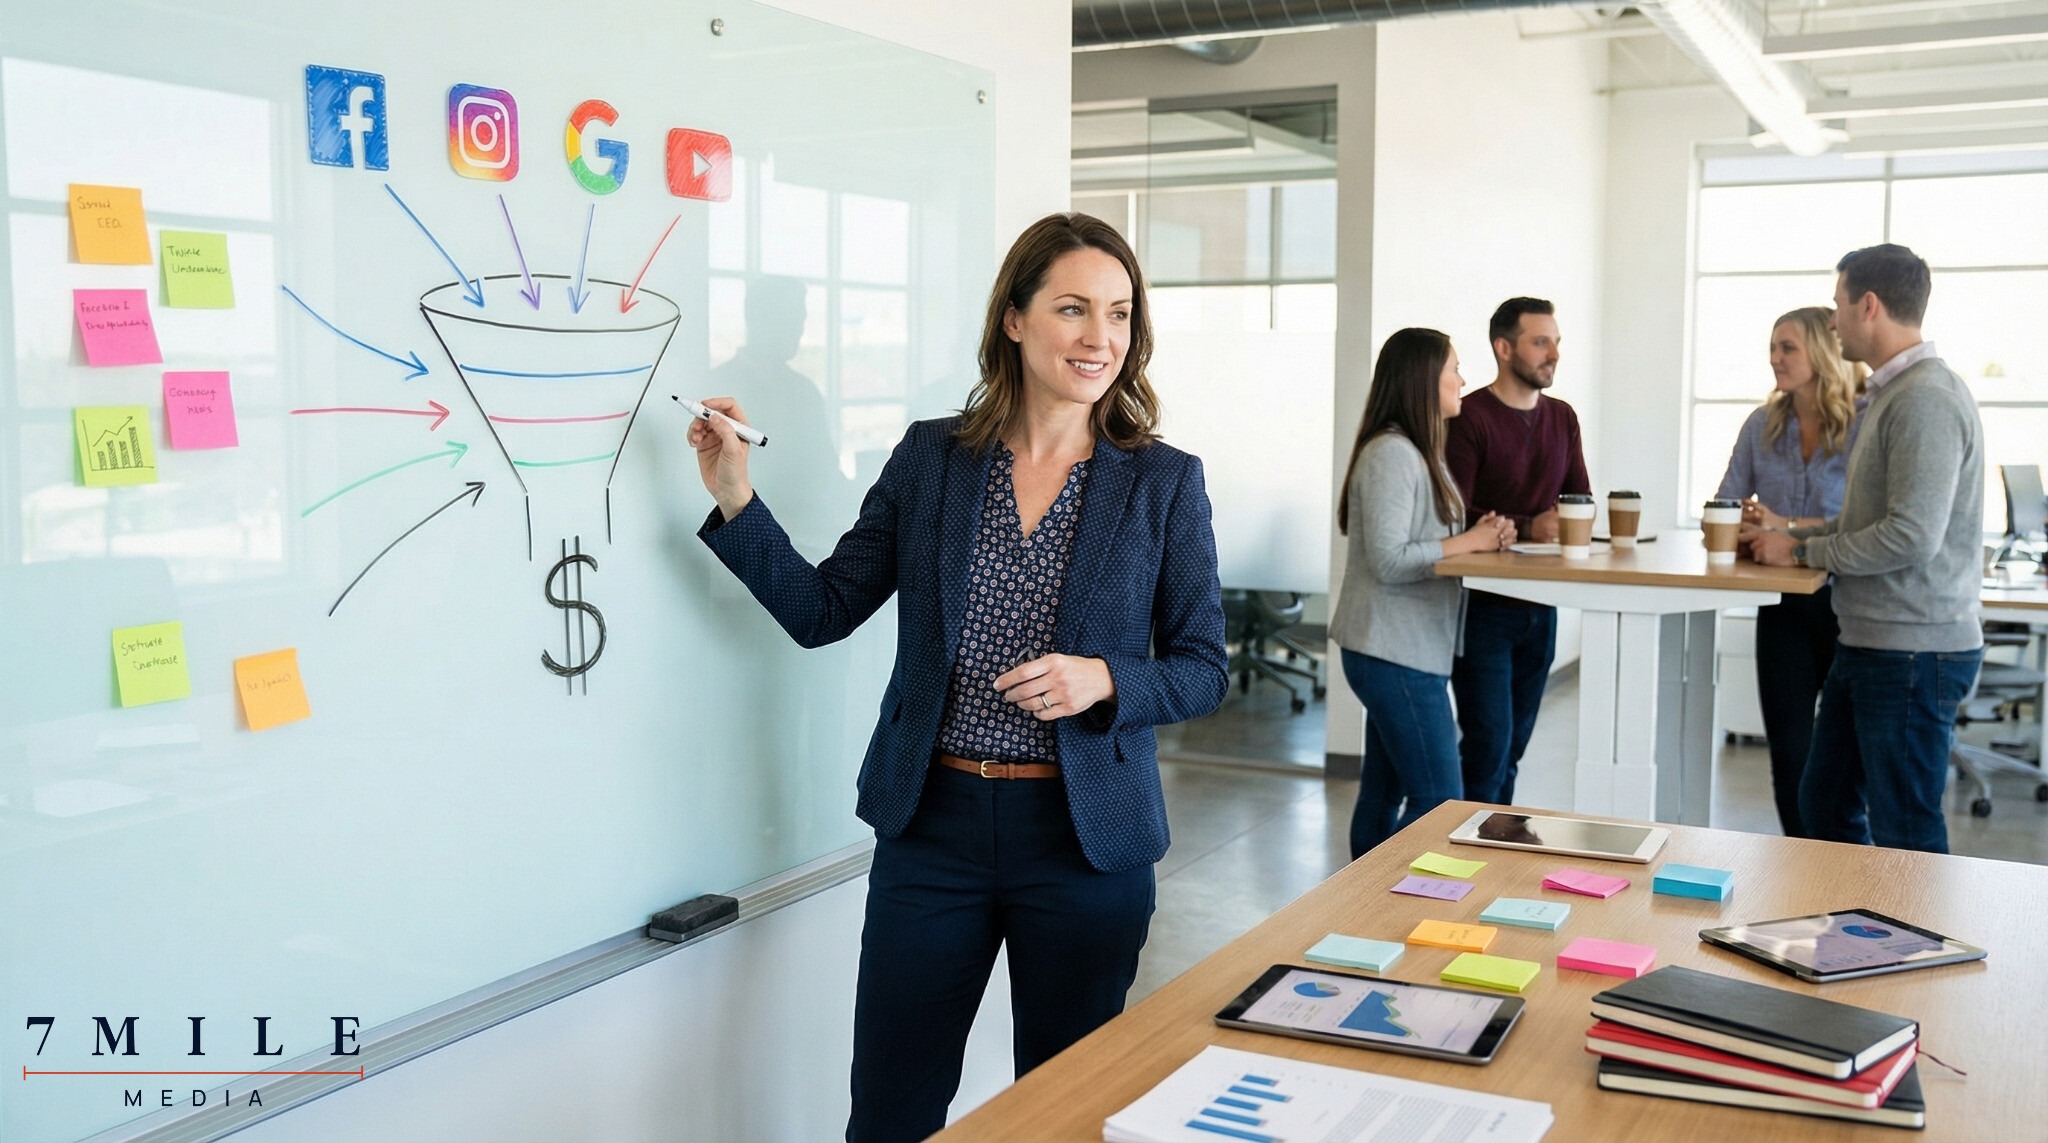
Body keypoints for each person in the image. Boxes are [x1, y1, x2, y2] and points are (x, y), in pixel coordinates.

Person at [688, 213, 1228, 1142]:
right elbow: (824, 611)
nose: (1100, 338)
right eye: (1071, 309)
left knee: (1065, 1115)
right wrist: (736, 494)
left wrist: (1104, 679)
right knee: (891, 1115)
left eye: (1119, 314)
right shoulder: (932, 458)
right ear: (1014, 319)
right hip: (931, 829)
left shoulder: (1162, 482)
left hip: (1083, 841)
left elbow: (1203, 668)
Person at [1743, 244, 1984, 854]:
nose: (1833, 321)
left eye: (1838, 305)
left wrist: (1799, 554)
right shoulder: (1888, 396)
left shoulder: (1925, 398)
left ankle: (1919, 945)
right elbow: (1863, 521)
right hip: (1870, 640)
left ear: (1868, 305)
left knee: (1904, 826)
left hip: (1911, 650)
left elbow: (1911, 535)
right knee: (1822, 804)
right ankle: (1851, 936)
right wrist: (1795, 538)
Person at [1333, 328, 1515, 857]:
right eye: (1454, 368)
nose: (1463, 379)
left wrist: (1479, 538)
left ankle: (1360, 907)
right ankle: (1389, 901)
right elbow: (1390, 560)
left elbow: (1424, 543)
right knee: (1440, 799)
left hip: (1400, 648)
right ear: (1422, 379)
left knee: (1384, 791)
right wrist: (1470, 539)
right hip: (1394, 652)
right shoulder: (1392, 453)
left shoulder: (1415, 450)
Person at [1714, 306, 1864, 838]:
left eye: (1788, 348)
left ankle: (1846, 870)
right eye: (1773, 347)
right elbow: (1725, 505)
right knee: (1790, 752)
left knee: (1848, 762)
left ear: (1822, 354)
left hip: (1851, 605)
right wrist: (1742, 529)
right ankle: (1801, 860)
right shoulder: (1762, 423)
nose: (1775, 358)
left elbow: (1866, 521)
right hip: (1782, 608)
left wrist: (1786, 526)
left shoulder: (1866, 420)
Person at [1445, 297, 1590, 805]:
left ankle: (1496, 842)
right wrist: (1534, 524)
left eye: (1555, 341)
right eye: (1540, 341)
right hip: (1483, 606)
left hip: (1540, 606)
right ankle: (1462, 858)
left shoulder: (1563, 417)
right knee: (1487, 748)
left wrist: (1567, 522)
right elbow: (1455, 513)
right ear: (1503, 348)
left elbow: (1579, 501)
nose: (1553, 353)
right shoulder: (1469, 417)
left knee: (1514, 749)